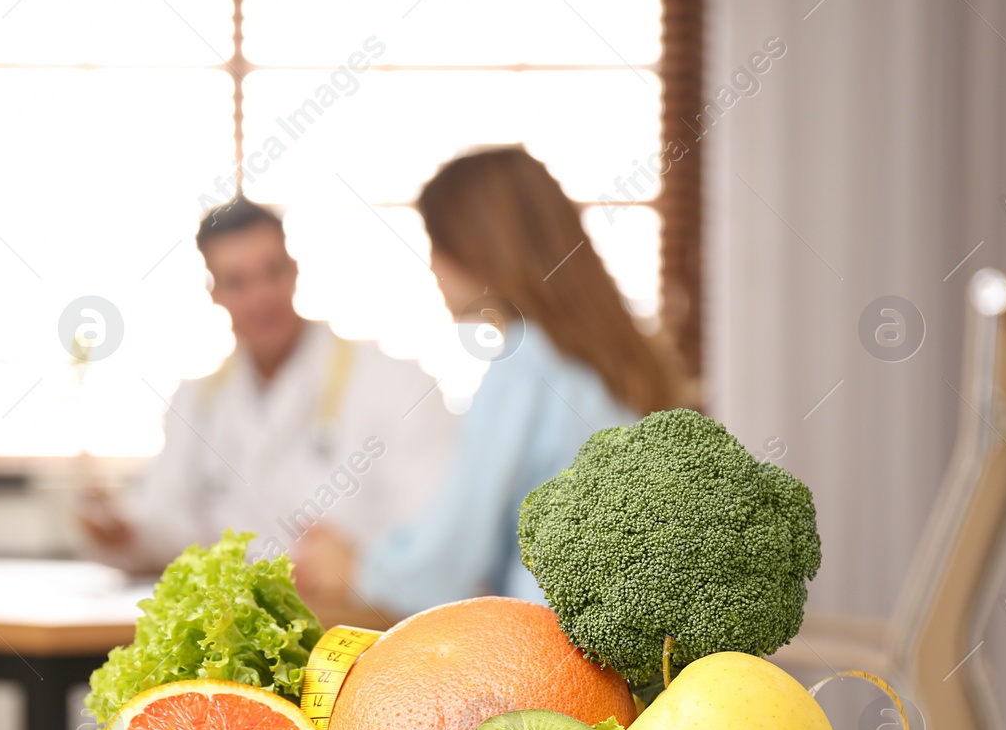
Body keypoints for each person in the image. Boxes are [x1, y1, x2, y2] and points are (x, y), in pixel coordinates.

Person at [293, 146, 686, 617]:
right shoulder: (612, 360)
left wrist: (353, 566)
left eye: (436, 245)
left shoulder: (522, 366)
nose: (433, 268)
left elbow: (444, 565)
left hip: (546, 659)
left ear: (475, 247)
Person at [79, 197, 454, 575]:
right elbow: (171, 527)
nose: (260, 297)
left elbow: (430, 541)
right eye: (237, 282)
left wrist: (356, 564)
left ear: (294, 272)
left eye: (272, 272)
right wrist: (123, 532)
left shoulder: (397, 384)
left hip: (356, 623)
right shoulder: (196, 402)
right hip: (236, 626)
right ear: (215, 293)